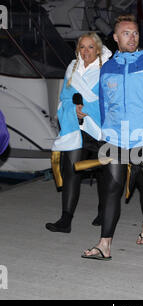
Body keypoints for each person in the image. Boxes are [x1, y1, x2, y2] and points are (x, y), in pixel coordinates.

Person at [81, 14, 143, 260]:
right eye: (126, 33)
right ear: (115, 38)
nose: (132, 37)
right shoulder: (109, 68)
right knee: (112, 188)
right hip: (115, 139)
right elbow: (104, 103)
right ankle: (104, 244)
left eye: (135, 32)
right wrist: (104, 130)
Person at [45, 32, 112, 233]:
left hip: (99, 128)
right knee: (71, 169)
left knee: (102, 173)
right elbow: (65, 98)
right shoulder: (72, 67)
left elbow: (109, 100)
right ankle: (66, 219)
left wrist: (88, 109)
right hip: (76, 126)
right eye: (82, 47)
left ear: (98, 49)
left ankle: (103, 211)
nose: (85, 52)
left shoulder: (106, 69)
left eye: (90, 47)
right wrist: (73, 110)